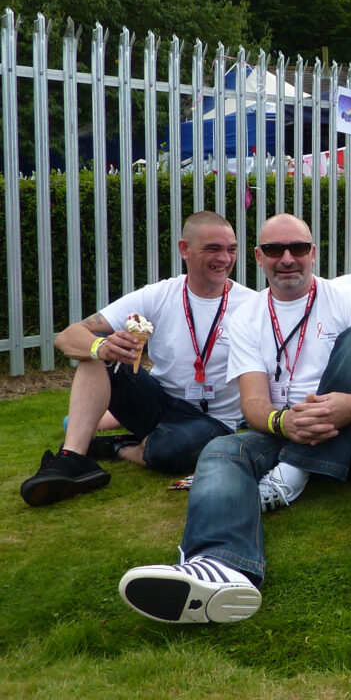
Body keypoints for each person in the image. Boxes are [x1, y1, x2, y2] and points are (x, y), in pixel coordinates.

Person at [117, 213, 351, 624]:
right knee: (222, 450)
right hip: (286, 425)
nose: (287, 259)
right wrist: (283, 424)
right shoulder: (245, 317)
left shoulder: (344, 297)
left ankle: (295, 472)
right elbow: (254, 402)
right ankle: (222, 566)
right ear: (259, 257)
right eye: (275, 250)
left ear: (313, 253)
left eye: (298, 248)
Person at [20, 211, 258, 507]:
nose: (224, 258)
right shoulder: (159, 294)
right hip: (157, 401)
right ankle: (72, 460)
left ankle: (118, 446)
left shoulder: (252, 305)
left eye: (231, 249)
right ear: (184, 249)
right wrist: (102, 346)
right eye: (213, 248)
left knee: (170, 451)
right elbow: (68, 337)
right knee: (96, 355)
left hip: (213, 419)